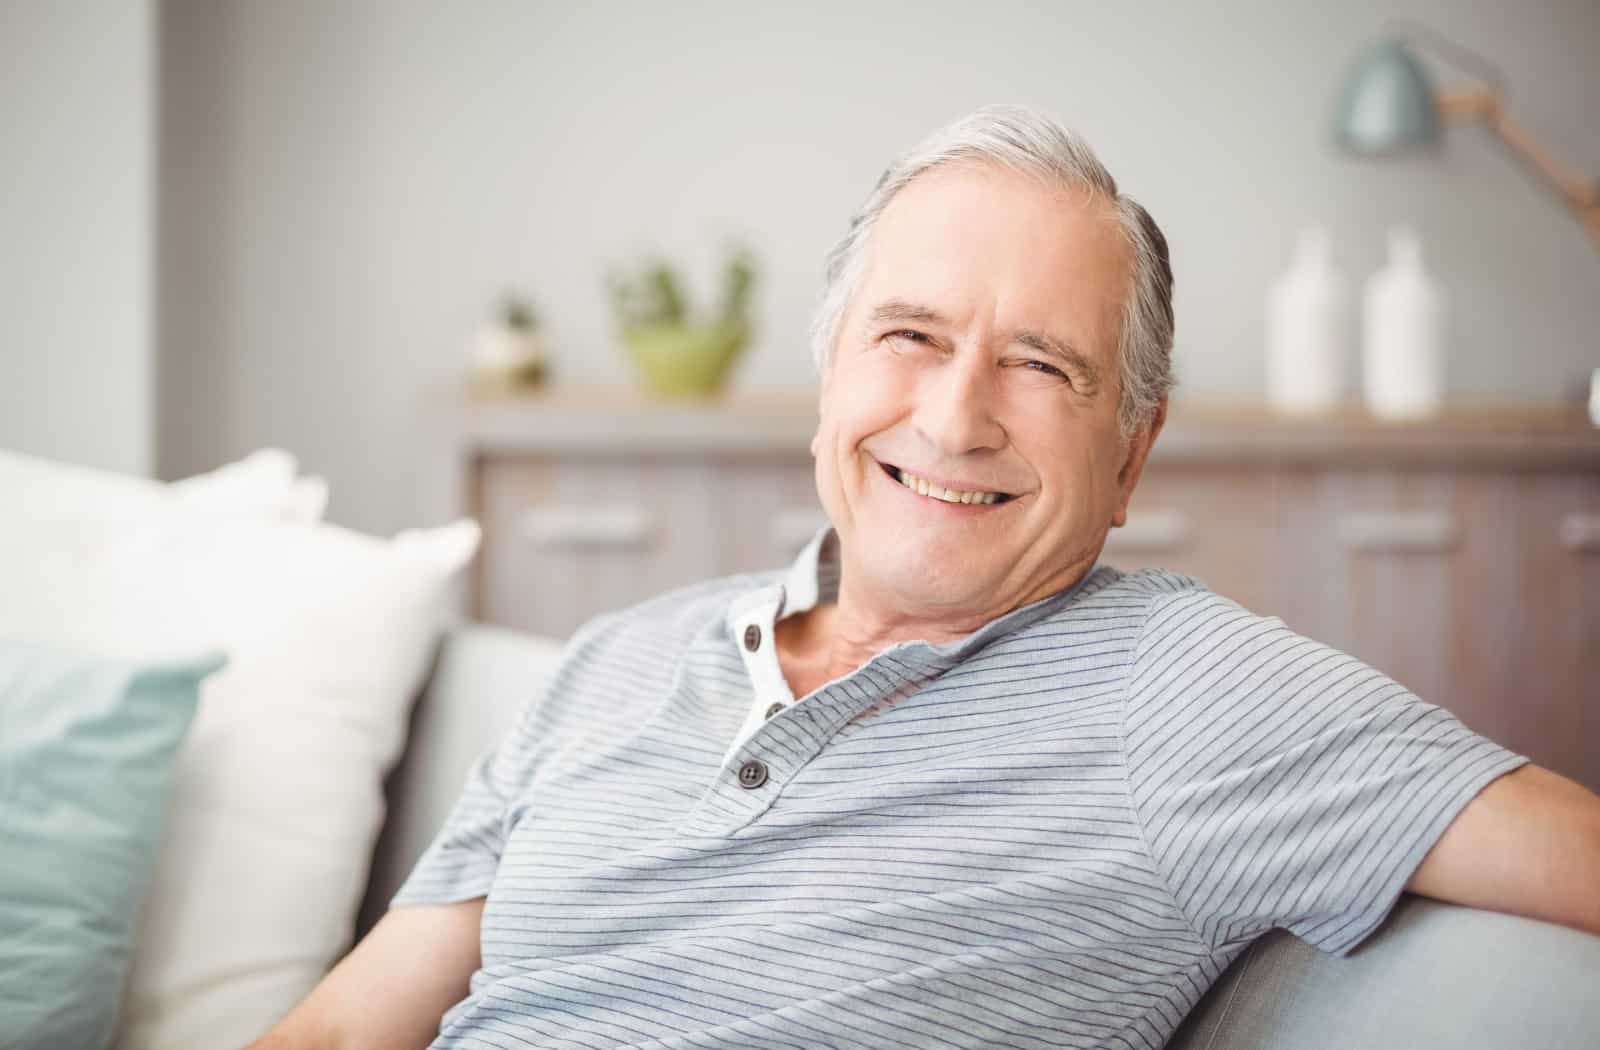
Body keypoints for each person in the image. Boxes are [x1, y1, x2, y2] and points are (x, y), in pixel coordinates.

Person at [249, 105, 1600, 1050]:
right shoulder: (618, 655)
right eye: (911, 334)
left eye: (1040, 364)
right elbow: (341, 1027)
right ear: (831, 374)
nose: (956, 419)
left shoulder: (1186, 693)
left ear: (1131, 456)